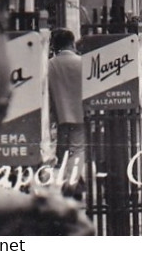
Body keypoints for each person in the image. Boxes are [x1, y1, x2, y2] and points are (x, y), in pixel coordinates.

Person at [48, 28, 86, 196]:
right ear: (72, 43)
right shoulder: (82, 62)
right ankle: (72, 184)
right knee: (77, 149)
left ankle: (71, 180)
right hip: (81, 114)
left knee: (63, 151)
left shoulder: (50, 64)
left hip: (60, 115)